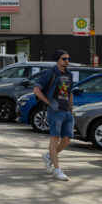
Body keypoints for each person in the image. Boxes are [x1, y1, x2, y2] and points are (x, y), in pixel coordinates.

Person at [33, 49, 75, 182]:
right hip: (55, 110)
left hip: (66, 110)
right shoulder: (50, 72)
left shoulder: (69, 74)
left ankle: (49, 156)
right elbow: (36, 89)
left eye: (68, 58)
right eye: (64, 59)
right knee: (54, 138)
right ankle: (57, 170)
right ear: (58, 60)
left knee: (67, 140)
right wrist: (49, 103)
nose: (67, 61)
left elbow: (70, 92)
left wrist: (71, 108)